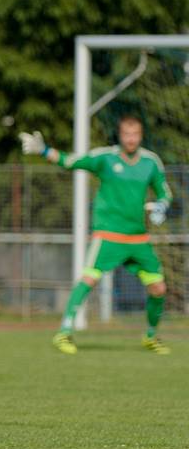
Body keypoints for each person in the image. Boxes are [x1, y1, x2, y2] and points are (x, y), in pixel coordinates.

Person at [20, 115, 173, 354]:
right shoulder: (106, 158)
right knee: (88, 280)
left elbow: (165, 192)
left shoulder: (151, 162)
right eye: (126, 134)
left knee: (159, 289)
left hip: (138, 239)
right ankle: (64, 333)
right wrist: (44, 150)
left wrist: (162, 206)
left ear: (141, 136)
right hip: (109, 235)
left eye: (135, 134)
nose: (131, 139)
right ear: (120, 136)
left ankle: (151, 336)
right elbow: (71, 161)